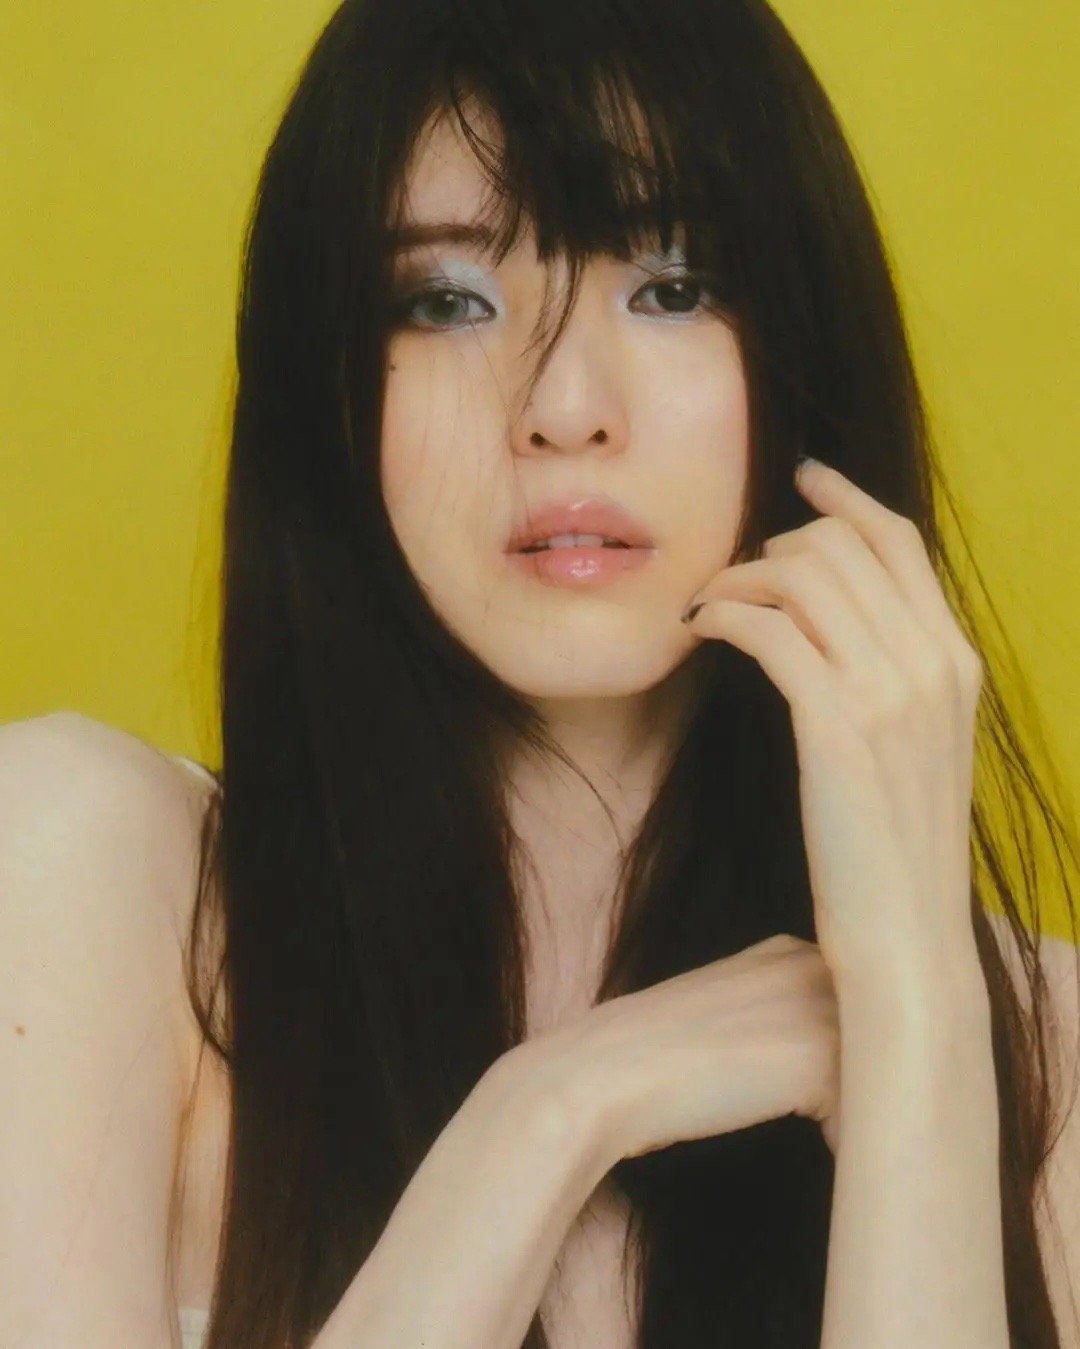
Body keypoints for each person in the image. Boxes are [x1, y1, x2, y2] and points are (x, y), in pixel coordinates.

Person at [3, 0, 1079, 1345]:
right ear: (328, 387)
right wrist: (547, 1115)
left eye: (671, 286)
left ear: (803, 349)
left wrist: (914, 1001)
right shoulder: (83, 871)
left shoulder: (1046, 1048)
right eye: (447, 300)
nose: (566, 409)